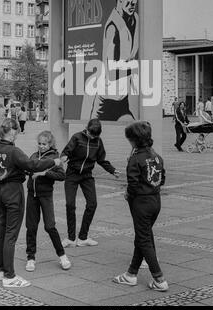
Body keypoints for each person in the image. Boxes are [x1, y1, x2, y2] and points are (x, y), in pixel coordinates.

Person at [0, 118, 59, 288]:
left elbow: (7, 168)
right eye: (17, 132)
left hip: (1, 190)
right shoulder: (14, 151)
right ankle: (9, 276)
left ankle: (1, 270)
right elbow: (33, 164)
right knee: (11, 235)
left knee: (3, 231)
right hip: (13, 192)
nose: (18, 135)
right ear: (12, 132)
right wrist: (53, 161)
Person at [113, 121, 168, 292]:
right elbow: (162, 179)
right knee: (143, 236)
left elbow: (133, 184)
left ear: (133, 140)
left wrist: (129, 194)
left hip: (141, 203)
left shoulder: (135, 159)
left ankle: (159, 279)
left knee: (144, 239)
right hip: (155, 201)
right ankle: (131, 274)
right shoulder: (157, 156)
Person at [81, 0, 139, 121]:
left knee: (138, 133)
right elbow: (111, 71)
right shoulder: (112, 27)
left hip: (123, 100)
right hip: (105, 103)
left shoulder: (136, 20)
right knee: (91, 136)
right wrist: (136, 66)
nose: (134, 1)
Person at [60, 118, 120, 247]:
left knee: (92, 204)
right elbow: (66, 151)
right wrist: (64, 157)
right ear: (86, 129)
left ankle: (83, 237)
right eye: (90, 134)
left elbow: (101, 160)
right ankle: (71, 238)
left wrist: (112, 170)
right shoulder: (77, 137)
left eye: (94, 136)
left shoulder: (98, 142)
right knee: (70, 205)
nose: (91, 137)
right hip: (72, 174)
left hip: (87, 175)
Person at [25, 131, 71, 272]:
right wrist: (27, 171)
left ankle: (62, 256)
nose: (41, 146)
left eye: (44, 144)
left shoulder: (54, 157)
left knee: (50, 226)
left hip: (45, 196)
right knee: (31, 227)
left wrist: (44, 173)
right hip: (32, 195)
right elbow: (28, 169)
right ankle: (31, 258)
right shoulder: (33, 156)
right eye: (39, 143)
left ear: (50, 144)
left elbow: (62, 175)